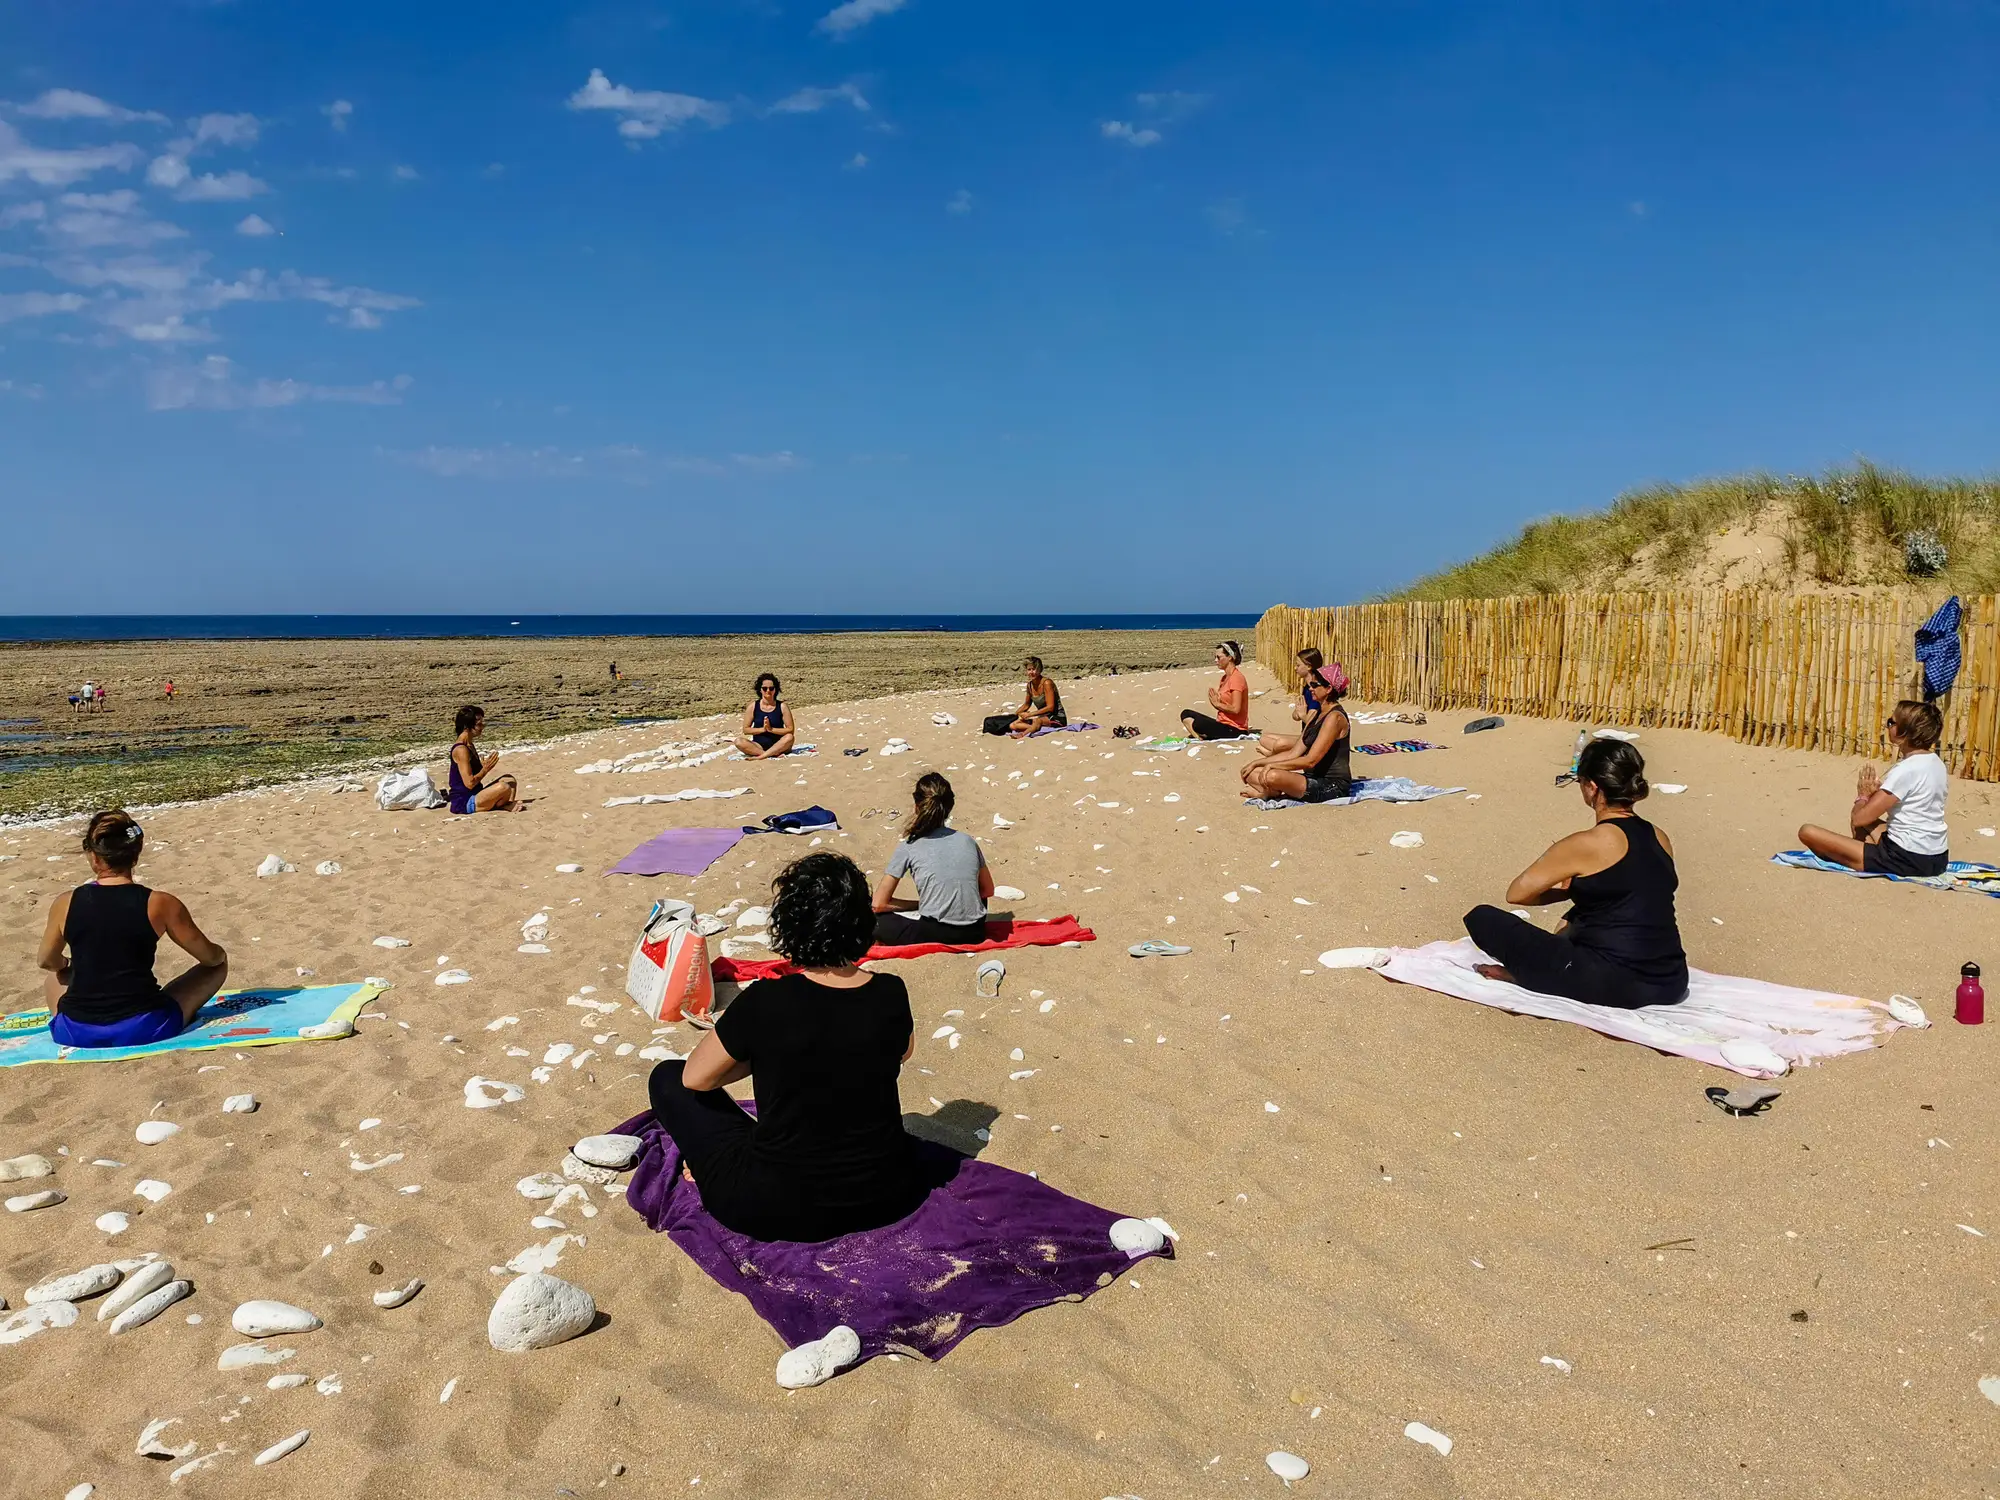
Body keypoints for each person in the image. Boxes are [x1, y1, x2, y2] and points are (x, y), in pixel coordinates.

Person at [648, 851, 926, 1242]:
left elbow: (696, 1080)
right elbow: (902, 1051)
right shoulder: (890, 992)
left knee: (667, 1077)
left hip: (779, 1208)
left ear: (791, 925)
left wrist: (760, 1057)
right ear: (861, 922)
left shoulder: (766, 1002)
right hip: (889, 1194)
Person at [1463, 739, 1689, 1009]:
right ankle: (1543, 972)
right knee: (1575, 919)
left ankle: (1528, 974)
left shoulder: (1587, 842)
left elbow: (1517, 894)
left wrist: (1569, 888)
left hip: (1614, 983)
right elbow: (1634, 894)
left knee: (1482, 917)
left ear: (1592, 788)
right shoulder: (1659, 837)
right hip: (1671, 981)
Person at [35, 810, 229, 1048]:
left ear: (94, 857)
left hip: (76, 1033)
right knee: (218, 966)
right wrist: (221, 953)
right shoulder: (160, 903)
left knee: (56, 975)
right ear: (135, 856)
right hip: (144, 1028)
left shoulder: (66, 902)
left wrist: (66, 966)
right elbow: (210, 958)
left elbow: (46, 960)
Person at [1798, 699, 1949, 876]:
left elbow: (1859, 819)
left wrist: (1863, 796)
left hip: (1906, 858)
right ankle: (1864, 854)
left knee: (1807, 832)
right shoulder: (1936, 764)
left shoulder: (1906, 769)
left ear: (1905, 733)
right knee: (1868, 829)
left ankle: (1860, 859)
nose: (1888, 726)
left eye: (1891, 722)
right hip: (1938, 858)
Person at [871, 773, 994, 946]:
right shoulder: (967, 840)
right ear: (950, 806)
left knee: (872, 918)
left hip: (935, 933)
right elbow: (988, 890)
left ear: (916, 807)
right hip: (975, 932)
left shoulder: (909, 845)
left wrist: (919, 905)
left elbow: (878, 904)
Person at [1240, 664, 1352, 803]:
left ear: (1328, 689)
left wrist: (1273, 766)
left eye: (1315, 685)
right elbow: (1293, 753)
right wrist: (1257, 763)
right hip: (1311, 778)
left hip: (1330, 785)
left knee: (1272, 775)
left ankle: (1267, 792)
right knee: (1250, 772)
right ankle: (1269, 791)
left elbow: (1311, 761)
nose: (1310, 688)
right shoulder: (1316, 714)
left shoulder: (1334, 718)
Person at [447, 704, 519, 814]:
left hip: (476, 793)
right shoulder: (461, 749)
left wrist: (481, 766)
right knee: (504, 787)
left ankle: (505, 804)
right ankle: (503, 805)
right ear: (467, 727)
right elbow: (469, 783)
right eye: (479, 724)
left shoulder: (469, 745)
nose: (482, 727)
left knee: (510, 780)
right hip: (464, 802)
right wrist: (485, 769)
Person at [1256, 647, 1325, 757]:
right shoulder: (1307, 687)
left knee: (1279, 744)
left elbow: (1313, 724)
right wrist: (1298, 712)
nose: (1295, 668)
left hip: (1314, 738)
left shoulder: (1316, 689)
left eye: (1298, 665)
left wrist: (1302, 715)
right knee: (1264, 738)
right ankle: (1283, 752)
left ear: (1308, 666)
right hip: (1305, 735)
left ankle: (1274, 754)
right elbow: (1296, 716)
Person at [1180, 641, 1254, 741]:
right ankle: (1199, 737)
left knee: (1198, 724)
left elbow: (1236, 709)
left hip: (1235, 729)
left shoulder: (1236, 678)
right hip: (1222, 724)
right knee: (1186, 714)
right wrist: (1218, 700)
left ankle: (1200, 736)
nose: (1216, 660)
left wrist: (1216, 704)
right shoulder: (1224, 678)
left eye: (1219, 657)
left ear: (1230, 658)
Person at [983, 657, 1066, 737]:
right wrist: (1015, 715)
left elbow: (1050, 707)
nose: (1031, 672)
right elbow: (1026, 705)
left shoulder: (1047, 683)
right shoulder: (1030, 685)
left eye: (1034, 669)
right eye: (1029, 670)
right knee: (1013, 725)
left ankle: (1023, 734)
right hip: (1043, 717)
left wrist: (1030, 714)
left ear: (1039, 670)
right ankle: (1034, 728)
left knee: (1037, 721)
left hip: (1056, 717)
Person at [732, 673, 796, 759]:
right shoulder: (753, 706)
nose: (768, 691)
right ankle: (768, 754)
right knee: (738, 741)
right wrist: (763, 729)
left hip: (779, 745)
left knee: (789, 737)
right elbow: (746, 729)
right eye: (765, 688)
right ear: (760, 690)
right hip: (758, 746)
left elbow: (790, 729)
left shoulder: (782, 706)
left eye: (771, 688)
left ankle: (761, 756)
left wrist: (771, 730)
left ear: (775, 690)